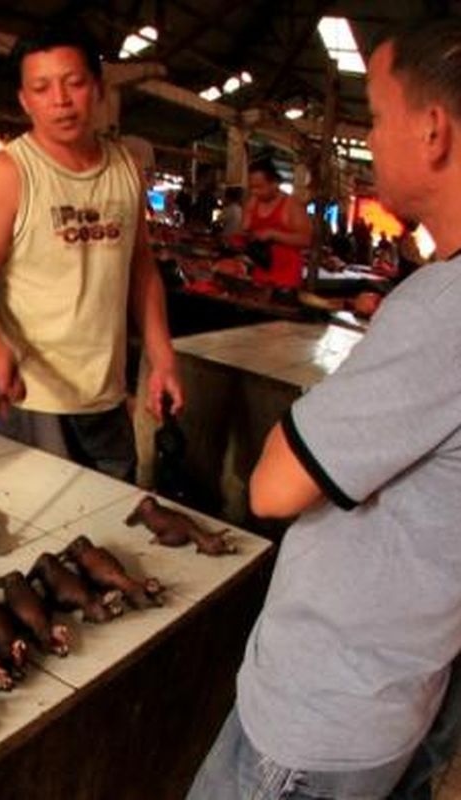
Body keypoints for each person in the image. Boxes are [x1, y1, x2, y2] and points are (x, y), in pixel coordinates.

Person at [187, 19, 461, 800]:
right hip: (411, 684)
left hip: (325, 716)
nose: (370, 142)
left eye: (375, 117)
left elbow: (275, 486)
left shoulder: (443, 310)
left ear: (433, 130)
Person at [0, 25, 183, 482]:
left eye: (73, 83)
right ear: (24, 101)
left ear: (97, 89)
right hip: (29, 400)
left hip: (106, 400)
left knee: (106, 530)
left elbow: (142, 271)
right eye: (42, 87)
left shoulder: (126, 168)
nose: (60, 99)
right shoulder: (12, 173)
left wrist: (163, 360)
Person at [242, 157, 313, 289]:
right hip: (259, 271)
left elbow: (307, 239)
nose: (254, 191)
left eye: (259, 187)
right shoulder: (253, 201)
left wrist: (273, 235)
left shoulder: (292, 205)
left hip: (285, 278)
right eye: (252, 187)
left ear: (274, 184)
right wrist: (249, 210)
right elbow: (245, 228)